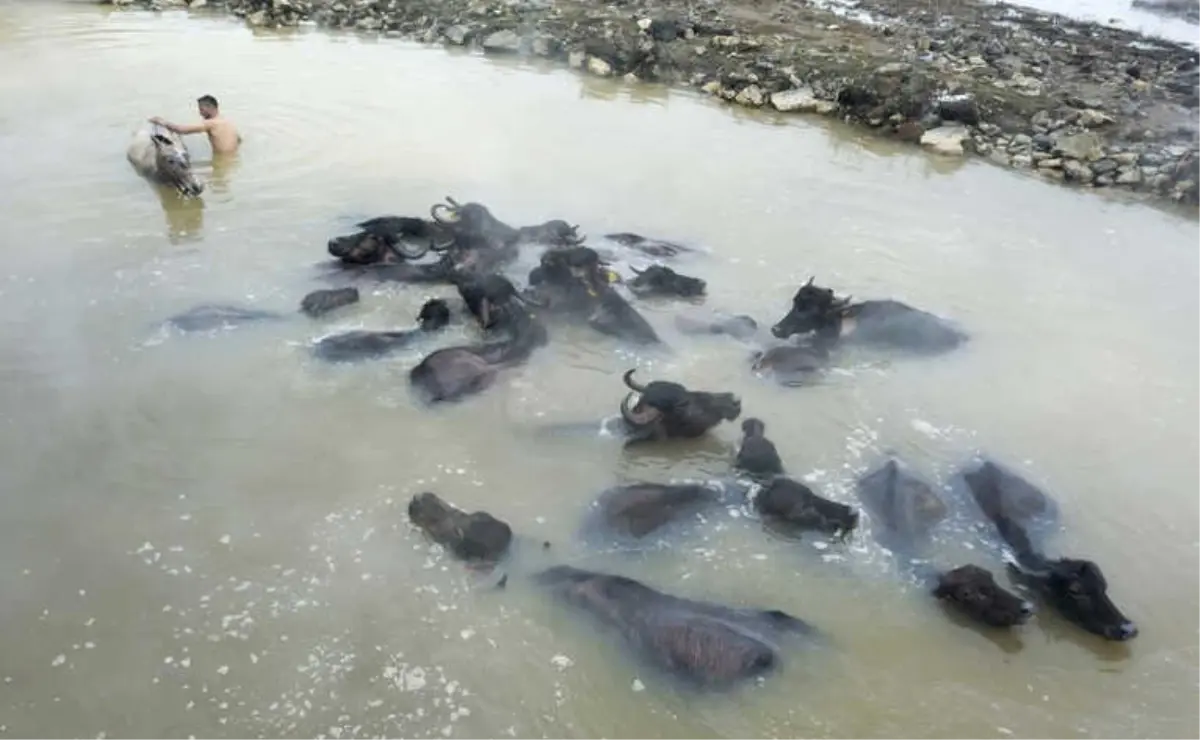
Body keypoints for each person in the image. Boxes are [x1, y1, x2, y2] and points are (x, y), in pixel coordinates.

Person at [150, 94, 241, 155]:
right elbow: (239, 140)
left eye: (201, 109)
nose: (200, 113)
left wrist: (161, 121)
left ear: (210, 107)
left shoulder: (211, 123)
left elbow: (181, 130)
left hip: (223, 164)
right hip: (232, 161)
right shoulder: (228, 121)